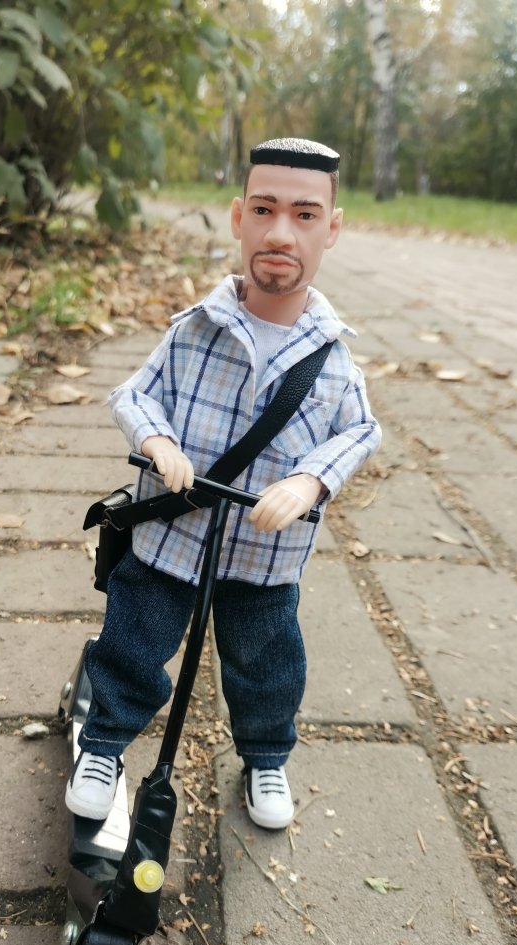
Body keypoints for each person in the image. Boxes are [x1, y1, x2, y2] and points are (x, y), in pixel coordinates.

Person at [66, 137, 381, 830]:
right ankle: (104, 745)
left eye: (304, 215)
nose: (280, 234)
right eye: (264, 210)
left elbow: (361, 431)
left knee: (267, 663)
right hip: (172, 537)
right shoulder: (195, 331)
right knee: (133, 641)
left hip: (265, 557)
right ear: (238, 217)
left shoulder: (332, 359)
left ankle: (265, 755)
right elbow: (134, 394)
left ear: (331, 228)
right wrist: (157, 440)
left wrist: (310, 481)